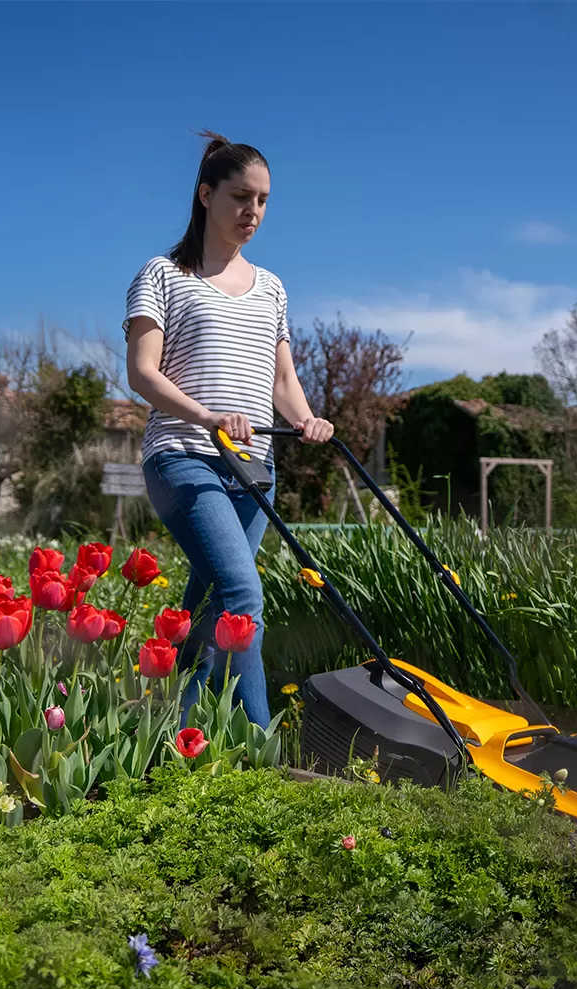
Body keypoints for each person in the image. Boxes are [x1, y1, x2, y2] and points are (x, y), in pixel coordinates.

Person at [124, 130, 333, 729]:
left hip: (254, 468)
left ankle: (171, 734)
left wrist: (306, 419)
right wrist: (208, 416)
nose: (254, 212)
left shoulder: (272, 288)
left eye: (264, 201)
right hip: (183, 456)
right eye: (242, 196)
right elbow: (142, 373)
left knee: (210, 603)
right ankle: (260, 749)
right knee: (244, 596)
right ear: (204, 194)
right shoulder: (162, 275)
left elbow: (282, 381)